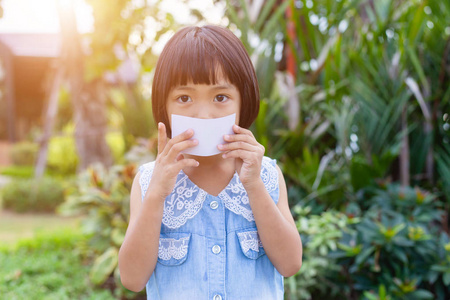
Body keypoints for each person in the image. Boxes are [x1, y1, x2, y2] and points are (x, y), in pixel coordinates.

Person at [118, 25, 302, 299]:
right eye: (184, 98)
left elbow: (290, 264)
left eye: (220, 97)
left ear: (243, 103)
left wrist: (253, 185)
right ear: (164, 108)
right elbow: (132, 279)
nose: (203, 115)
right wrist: (157, 194)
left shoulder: (266, 174)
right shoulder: (148, 181)